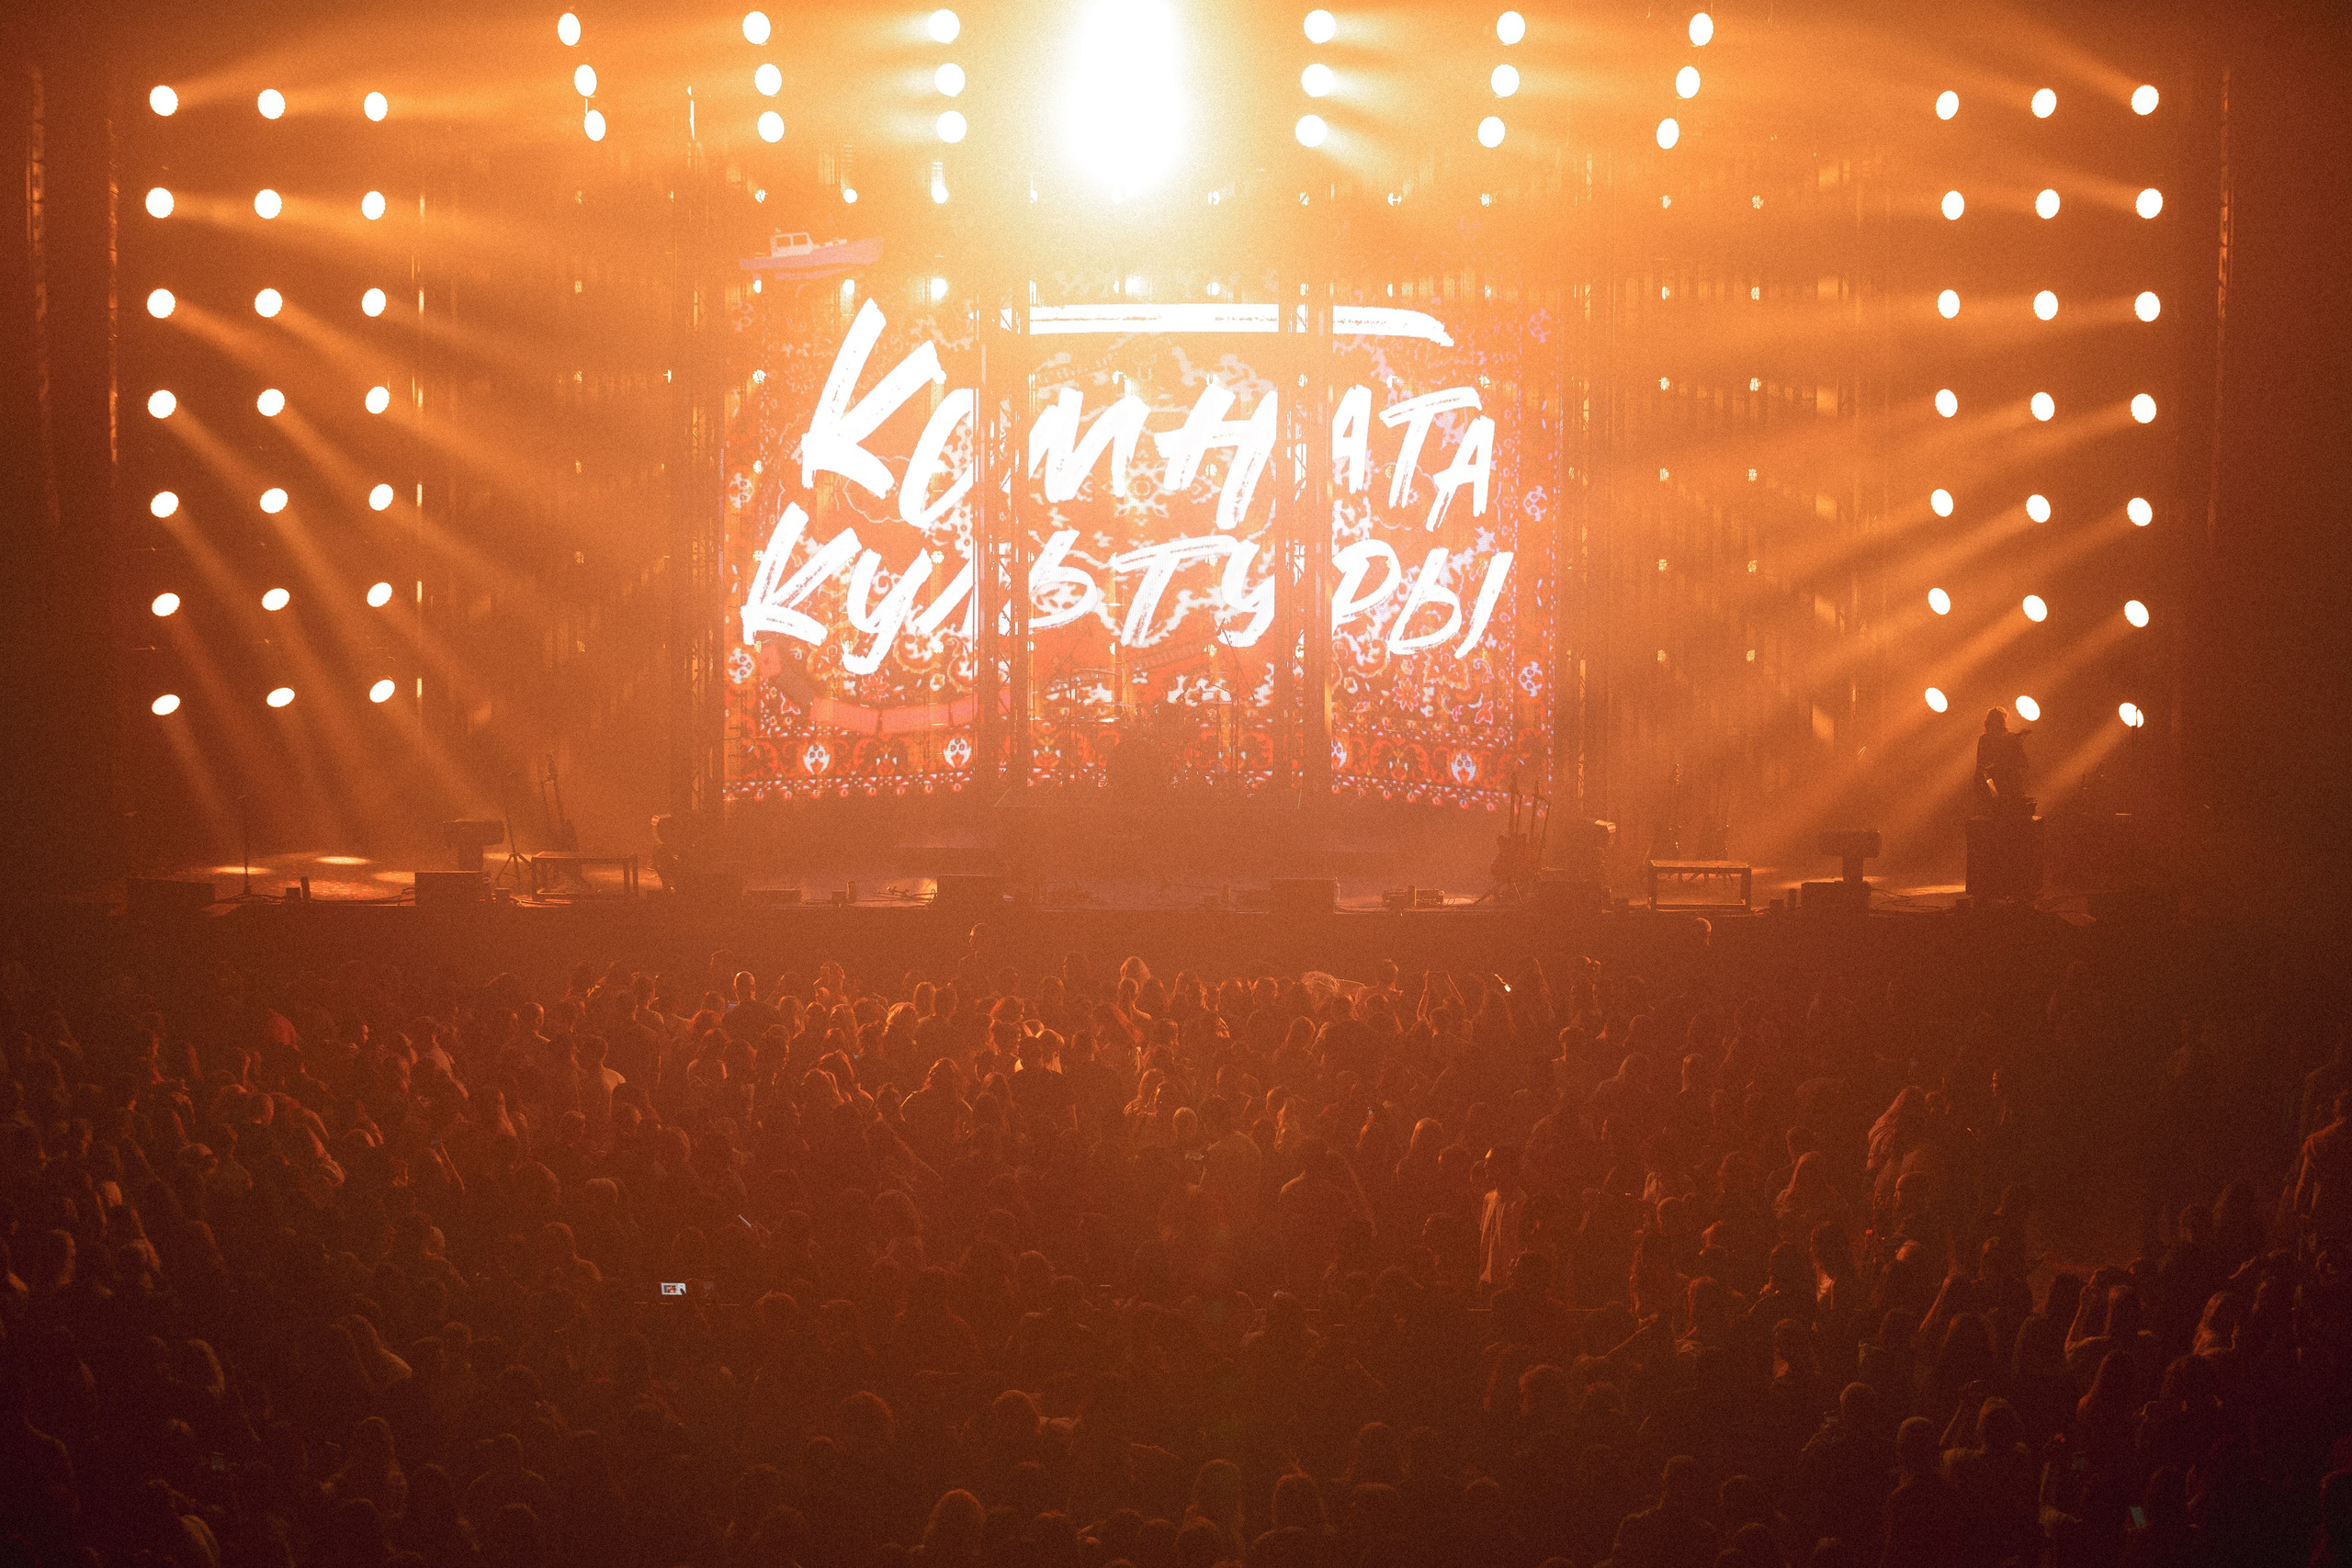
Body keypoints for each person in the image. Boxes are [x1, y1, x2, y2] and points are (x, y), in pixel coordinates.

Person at [1973, 708, 2030, 816]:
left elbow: (1980, 767)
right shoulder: (2011, 738)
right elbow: (2024, 764)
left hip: (1996, 789)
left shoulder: (1985, 740)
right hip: (2009, 788)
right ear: (2004, 721)